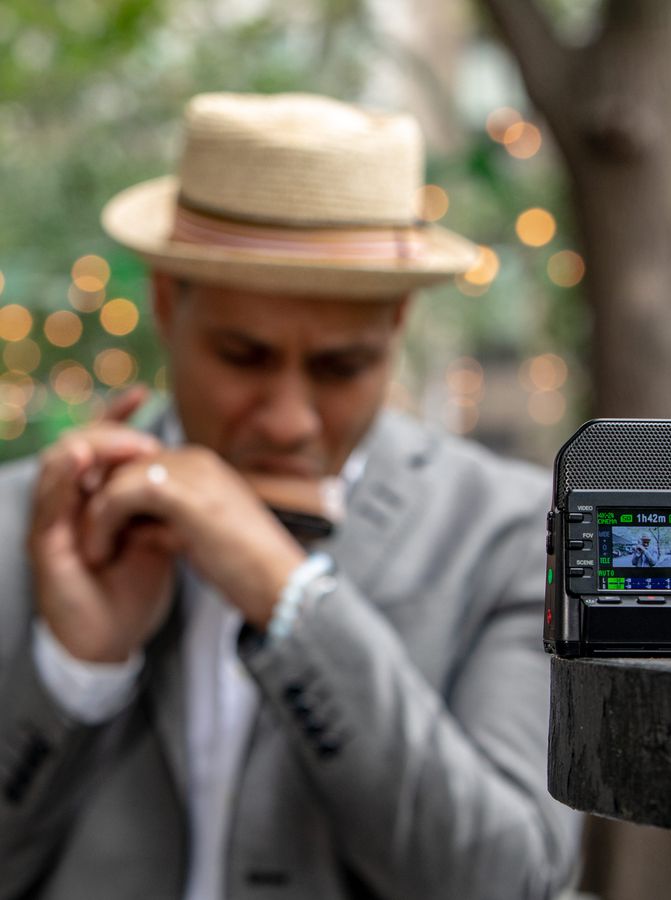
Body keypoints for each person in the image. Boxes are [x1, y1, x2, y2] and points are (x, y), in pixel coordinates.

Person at [0, 93, 579, 900]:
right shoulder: (20, 525)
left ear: (399, 322)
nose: (289, 419)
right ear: (168, 303)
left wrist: (292, 599)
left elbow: (510, 880)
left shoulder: (511, 533)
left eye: (341, 369)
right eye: (243, 356)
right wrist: (76, 673)